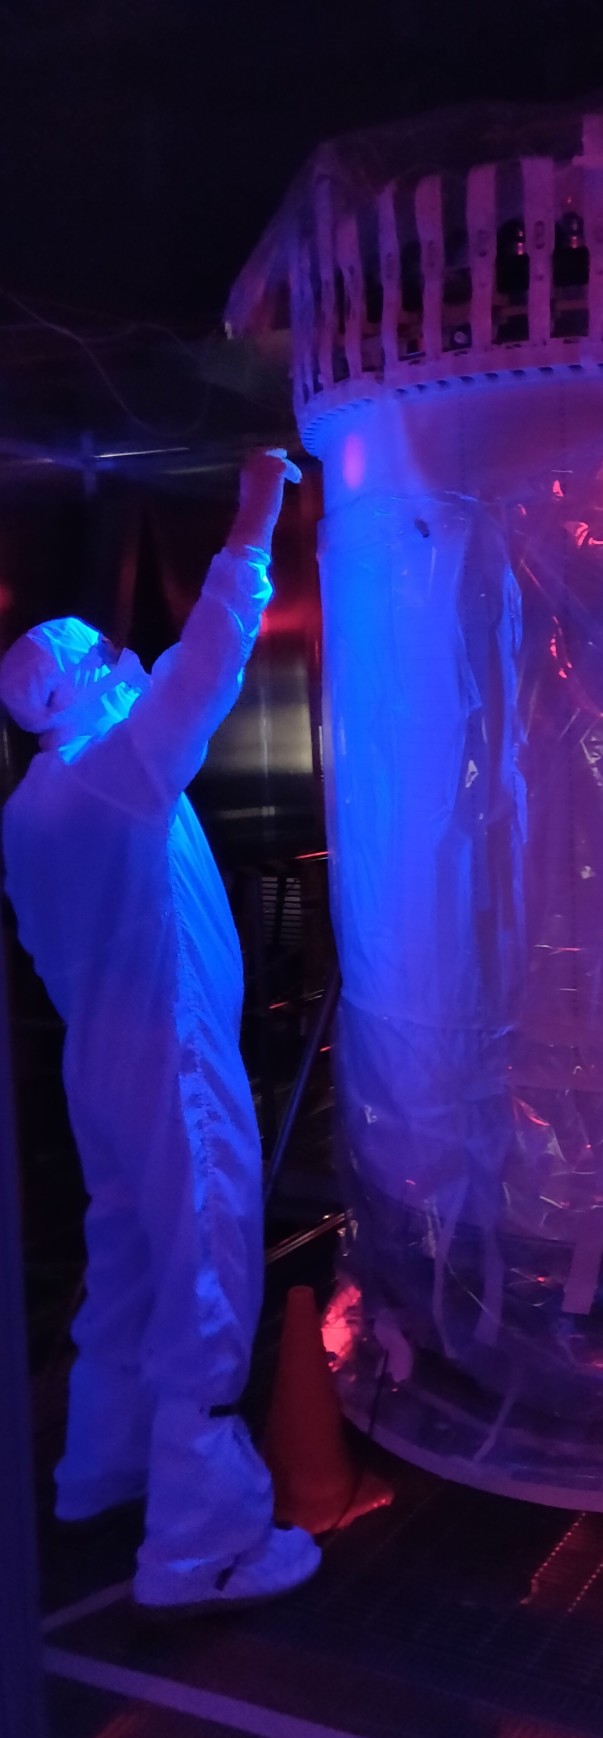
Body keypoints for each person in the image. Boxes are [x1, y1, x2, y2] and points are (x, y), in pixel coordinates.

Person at [0, 449, 322, 1616]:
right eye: (107, 659)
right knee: (207, 1267)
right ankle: (203, 1544)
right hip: (169, 1055)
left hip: (101, 1057)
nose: (127, 666)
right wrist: (253, 514)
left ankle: (101, 1472)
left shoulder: (30, 809)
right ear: (84, 685)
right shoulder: (116, 774)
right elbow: (208, 662)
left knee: (129, 1261)